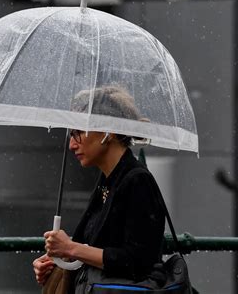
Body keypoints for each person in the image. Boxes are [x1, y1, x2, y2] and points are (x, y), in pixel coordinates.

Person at [32, 86, 165, 292]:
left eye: (78, 132)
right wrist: (57, 257)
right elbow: (92, 246)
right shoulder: (109, 179)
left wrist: (71, 248)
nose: (72, 145)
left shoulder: (137, 180)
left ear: (107, 131)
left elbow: (139, 261)